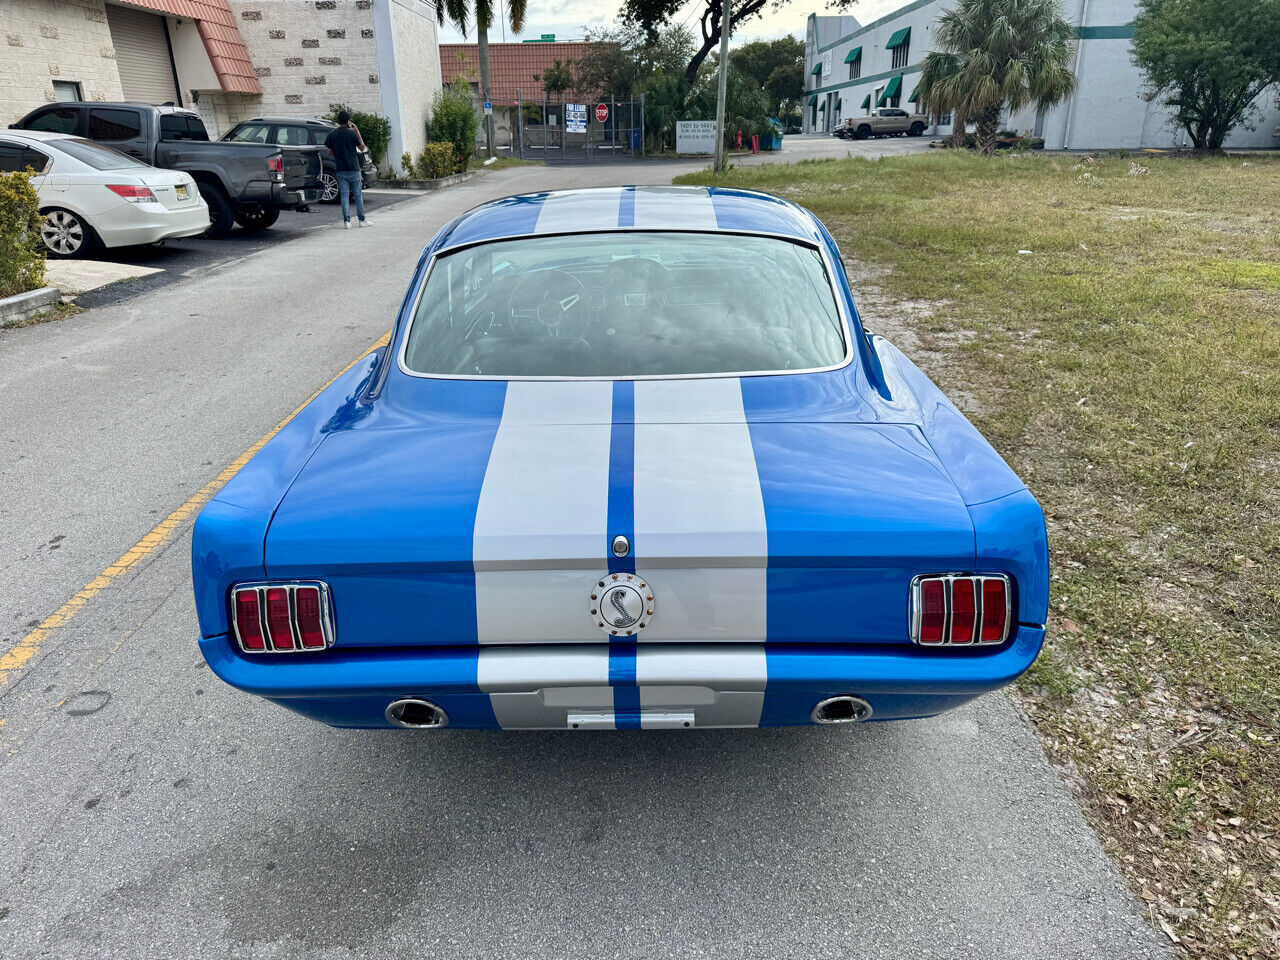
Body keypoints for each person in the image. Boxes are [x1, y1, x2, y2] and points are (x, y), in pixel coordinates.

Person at [324, 111, 369, 229]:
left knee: (344, 195)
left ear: (338, 120)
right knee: (357, 195)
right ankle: (361, 220)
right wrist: (357, 130)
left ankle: (347, 221)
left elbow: (329, 152)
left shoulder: (332, 134)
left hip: (340, 168)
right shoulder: (352, 133)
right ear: (348, 121)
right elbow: (362, 147)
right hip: (354, 168)